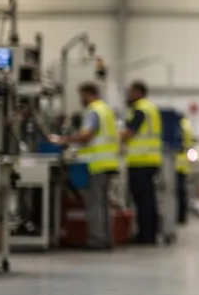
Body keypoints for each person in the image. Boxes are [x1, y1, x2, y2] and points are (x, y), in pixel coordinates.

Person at [50, 82, 118, 250]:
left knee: (95, 204)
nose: (80, 100)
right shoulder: (105, 109)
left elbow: (87, 135)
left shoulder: (94, 110)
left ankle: (96, 240)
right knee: (103, 203)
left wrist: (63, 140)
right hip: (109, 161)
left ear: (88, 94)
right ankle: (106, 238)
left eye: (81, 96)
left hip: (98, 164)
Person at [120, 80, 163, 245]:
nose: (128, 96)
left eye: (130, 92)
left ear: (138, 92)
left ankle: (145, 236)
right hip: (151, 160)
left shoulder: (140, 109)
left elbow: (129, 133)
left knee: (142, 200)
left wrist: (116, 137)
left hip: (140, 161)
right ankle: (150, 234)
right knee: (149, 200)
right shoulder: (151, 108)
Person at [176, 116, 194, 225]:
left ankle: (179, 216)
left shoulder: (180, 126)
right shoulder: (187, 125)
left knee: (177, 192)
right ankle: (182, 216)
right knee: (182, 191)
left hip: (177, 162)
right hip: (184, 162)